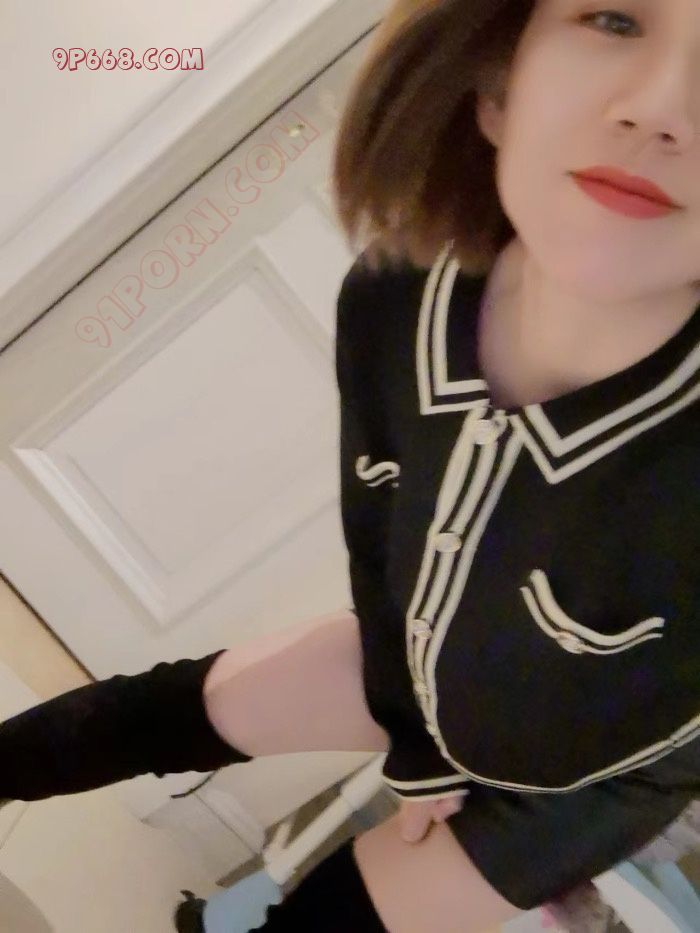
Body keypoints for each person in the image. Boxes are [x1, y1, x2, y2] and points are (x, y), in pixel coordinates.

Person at [2, 0, 699, 929]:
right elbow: (379, 536)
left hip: (590, 772)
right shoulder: (397, 294)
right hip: (422, 644)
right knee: (157, 712)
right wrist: (414, 744)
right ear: (495, 83)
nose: (660, 106)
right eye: (613, 17)